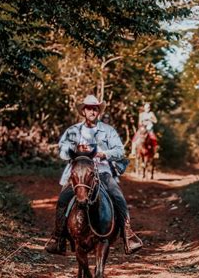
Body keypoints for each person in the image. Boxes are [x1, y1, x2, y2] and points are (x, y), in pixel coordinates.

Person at [45, 94, 143, 255]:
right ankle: (58, 238)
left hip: (102, 171)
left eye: (95, 108)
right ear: (83, 111)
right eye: (89, 108)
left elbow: (120, 151)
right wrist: (75, 152)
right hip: (78, 174)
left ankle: (128, 234)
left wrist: (104, 154)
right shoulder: (73, 131)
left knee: (118, 196)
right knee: (63, 199)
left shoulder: (108, 130)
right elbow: (62, 151)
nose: (92, 111)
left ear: (99, 111)